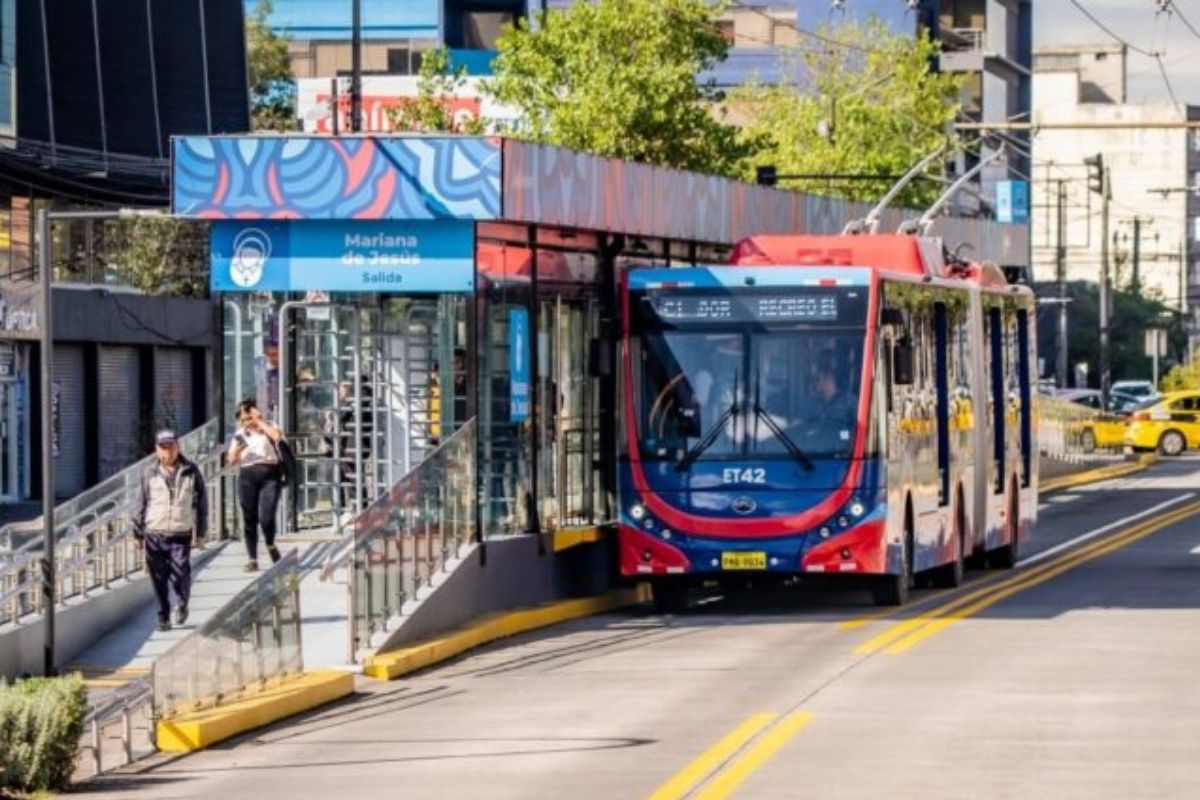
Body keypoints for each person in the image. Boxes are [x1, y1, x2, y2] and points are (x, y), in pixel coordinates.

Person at [133, 429, 207, 632]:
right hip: (154, 532)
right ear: (156, 450)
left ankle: (182, 604)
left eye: (171, 446)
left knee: (182, 574)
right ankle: (163, 617)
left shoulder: (191, 470)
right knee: (158, 578)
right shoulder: (148, 472)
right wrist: (138, 532)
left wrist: (201, 532)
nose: (168, 452)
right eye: (163, 448)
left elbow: (201, 504)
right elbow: (140, 502)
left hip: (180, 533)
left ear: (178, 446)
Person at [227, 399, 285, 572]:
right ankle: (252, 559)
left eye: (249, 417)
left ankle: (270, 544)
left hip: (269, 475)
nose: (247, 423)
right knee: (249, 519)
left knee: (266, 516)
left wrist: (259, 421)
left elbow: (277, 437)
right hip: (247, 476)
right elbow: (231, 460)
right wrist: (237, 451)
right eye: (243, 420)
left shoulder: (269, 426)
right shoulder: (239, 434)